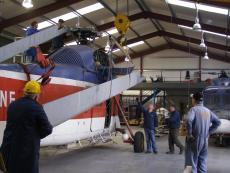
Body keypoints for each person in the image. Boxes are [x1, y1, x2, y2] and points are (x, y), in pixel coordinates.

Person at [1, 80, 53, 173]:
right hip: (26, 153)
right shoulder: (36, 107)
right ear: (36, 95)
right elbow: (48, 129)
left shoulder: (12, 105)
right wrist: (35, 136)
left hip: (9, 150)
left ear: (24, 92)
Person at [184, 92, 221, 173]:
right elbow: (218, 122)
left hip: (194, 140)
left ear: (194, 99)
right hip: (205, 140)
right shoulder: (207, 111)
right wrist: (209, 132)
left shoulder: (193, 109)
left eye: (192, 99)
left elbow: (189, 120)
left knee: (191, 163)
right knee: (202, 161)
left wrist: (189, 134)